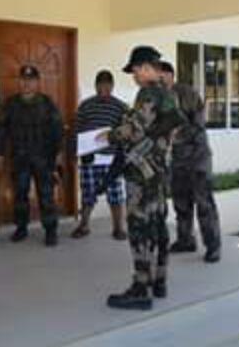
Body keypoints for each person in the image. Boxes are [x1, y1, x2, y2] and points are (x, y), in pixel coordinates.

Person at [104, 46, 185, 311]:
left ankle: (141, 287)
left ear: (147, 67)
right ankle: (159, 281)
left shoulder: (149, 93)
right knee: (158, 225)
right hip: (159, 171)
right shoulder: (168, 93)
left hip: (142, 173)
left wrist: (109, 136)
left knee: (139, 227)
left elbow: (136, 128)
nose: (134, 76)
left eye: (136, 70)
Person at [159, 61, 222, 264]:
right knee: (181, 203)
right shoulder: (160, 97)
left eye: (162, 76)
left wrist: (176, 134)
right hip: (177, 159)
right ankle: (185, 240)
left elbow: (199, 124)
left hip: (197, 157)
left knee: (204, 204)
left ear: (171, 75)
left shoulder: (187, 93)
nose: (159, 80)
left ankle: (213, 246)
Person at [0, 65, 63, 247]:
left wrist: (59, 152)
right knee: (20, 194)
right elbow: (1, 129)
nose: (27, 84)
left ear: (37, 82)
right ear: (20, 82)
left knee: (46, 194)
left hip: (44, 157)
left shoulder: (47, 103)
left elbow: (57, 129)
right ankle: (21, 227)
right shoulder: (11, 104)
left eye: (31, 80)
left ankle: (50, 230)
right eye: (24, 80)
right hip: (20, 157)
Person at [70, 70, 128, 240]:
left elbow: (126, 132)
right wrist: (73, 151)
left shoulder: (121, 107)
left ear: (112, 86)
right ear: (95, 86)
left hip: (112, 159)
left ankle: (118, 228)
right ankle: (84, 225)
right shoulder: (85, 105)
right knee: (88, 194)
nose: (103, 88)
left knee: (115, 195)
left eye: (107, 85)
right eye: (100, 85)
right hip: (89, 158)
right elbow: (76, 129)